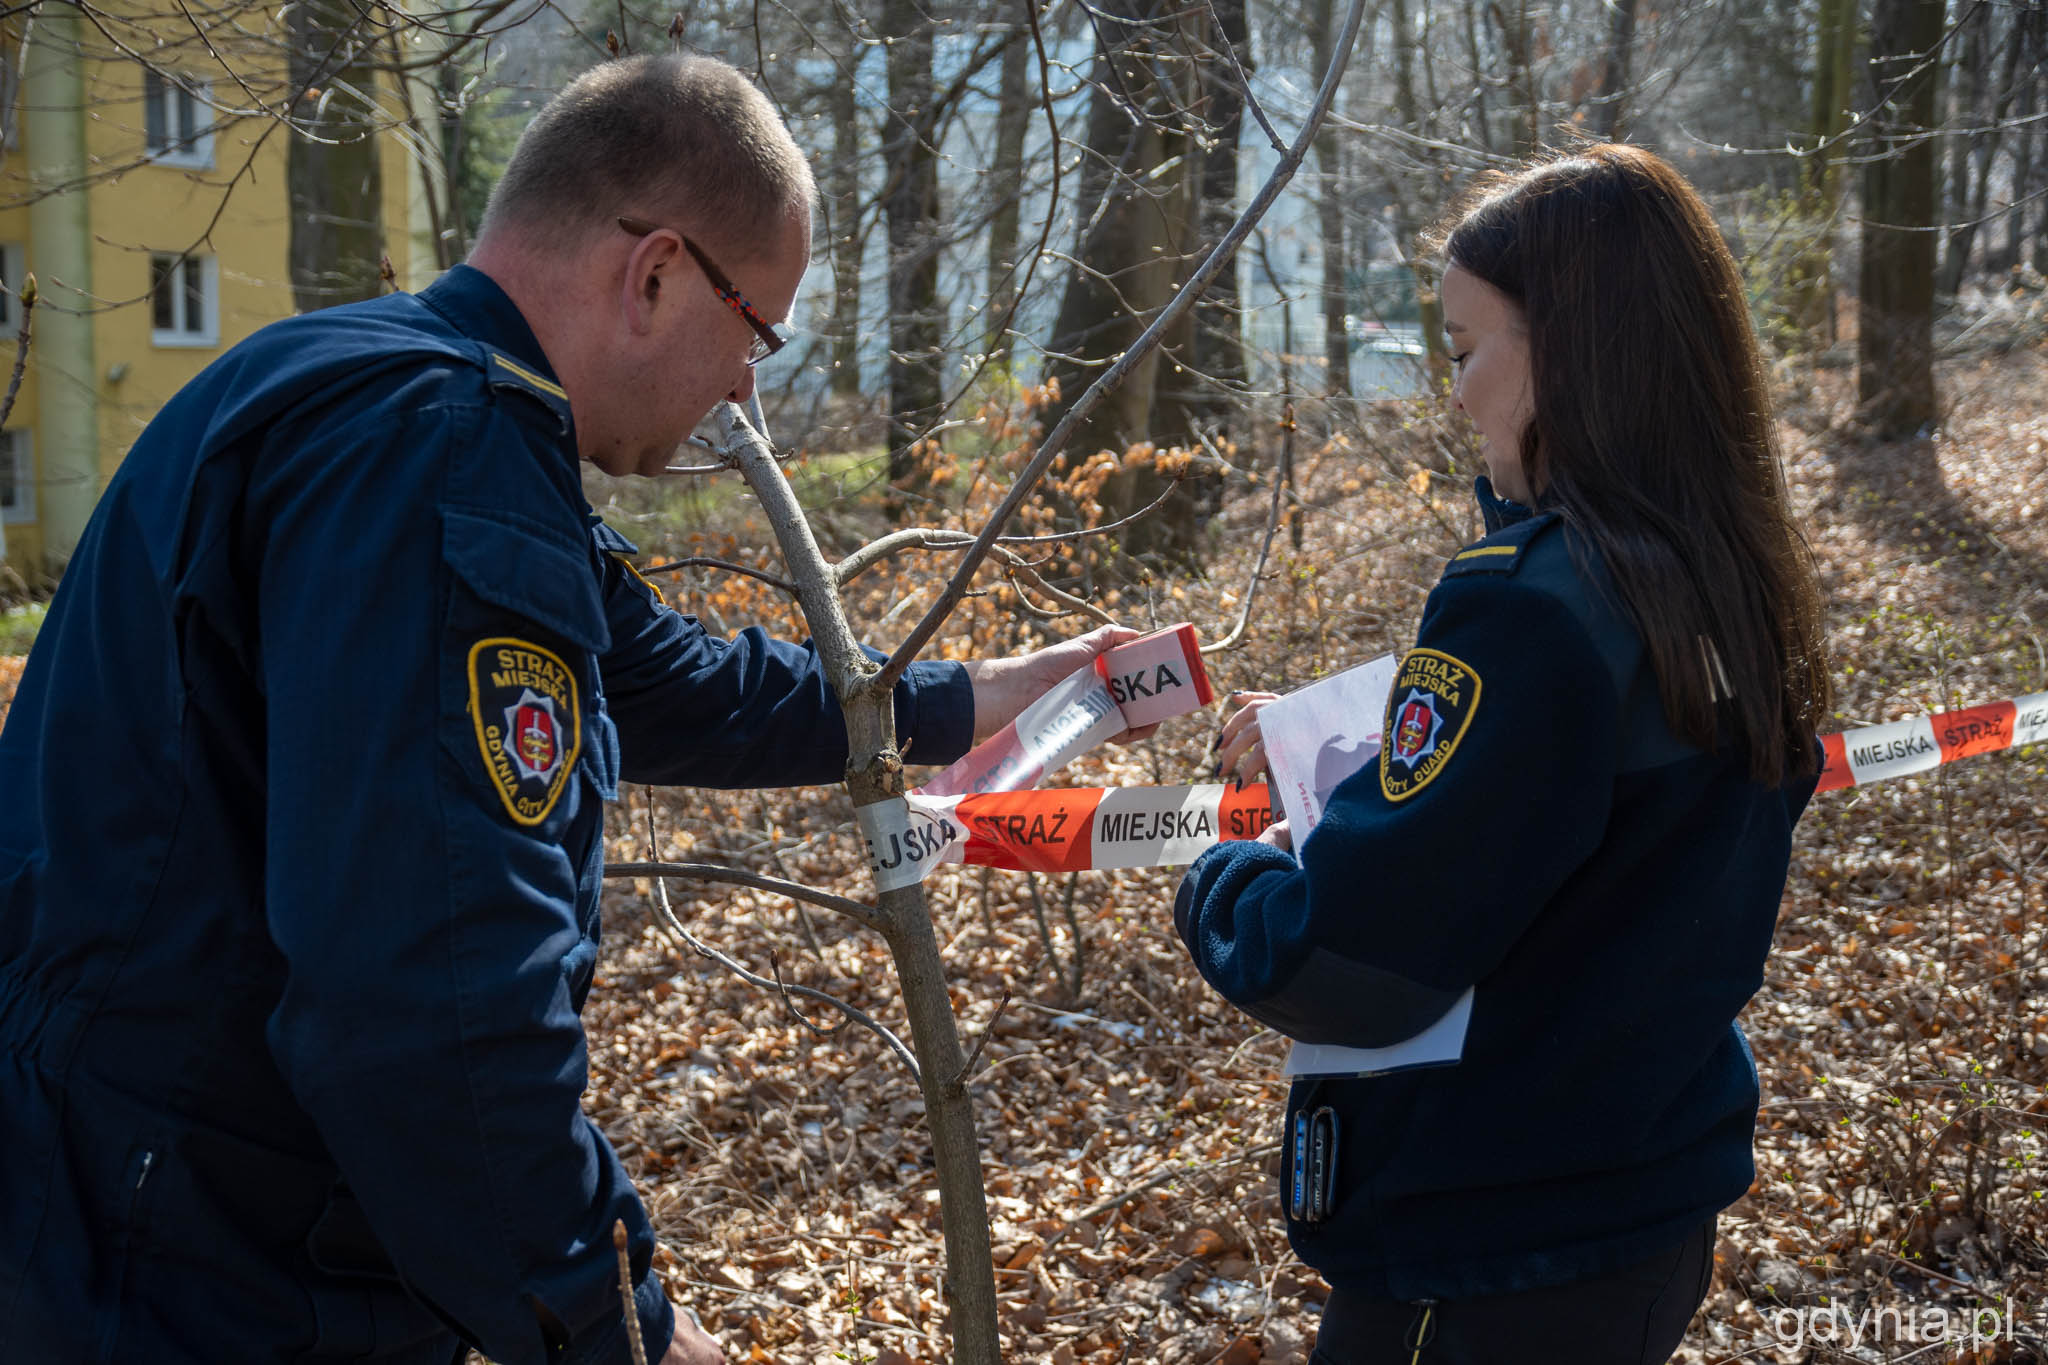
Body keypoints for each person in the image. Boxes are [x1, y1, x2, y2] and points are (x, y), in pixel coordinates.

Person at [0, 54, 1140, 1365]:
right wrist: (621, 1326)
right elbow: (432, 1003)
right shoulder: (443, 457)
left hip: (106, 1201)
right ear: (655, 274)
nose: (746, 391)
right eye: (756, 332)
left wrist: (989, 694)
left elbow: (682, 682)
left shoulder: (358, 388)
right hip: (187, 1268)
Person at [1176, 144, 1833, 1364]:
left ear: (1565, 356)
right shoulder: (1722, 580)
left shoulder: (1530, 610)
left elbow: (1354, 964)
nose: (1456, 391)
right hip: (1639, 1210)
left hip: (1480, 1254)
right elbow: (1592, 838)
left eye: (1466, 348)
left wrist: (1229, 876)